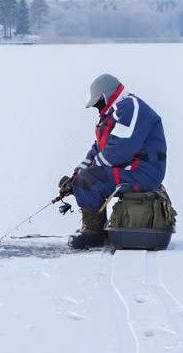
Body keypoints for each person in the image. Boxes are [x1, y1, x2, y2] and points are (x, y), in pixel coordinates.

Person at [61, 73, 168, 249]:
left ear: (105, 95)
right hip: (131, 169)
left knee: (88, 181)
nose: (97, 107)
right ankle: (94, 229)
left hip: (143, 172)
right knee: (84, 179)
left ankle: (93, 234)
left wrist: (86, 176)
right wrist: (77, 174)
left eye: (97, 102)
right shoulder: (114, 113)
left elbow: (120, 150)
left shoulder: (130, 107)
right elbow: (99, 149)